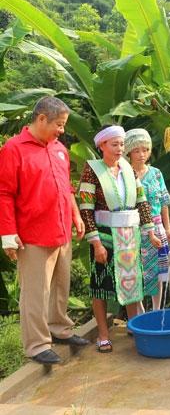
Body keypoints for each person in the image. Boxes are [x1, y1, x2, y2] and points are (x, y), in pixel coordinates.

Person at [0, 96, 89, 365]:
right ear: (41, 119)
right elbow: (3, 193)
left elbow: (66, 187)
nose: (62, 130)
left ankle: (59, 329)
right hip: (33, 234)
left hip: (61, 230)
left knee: (61, 286)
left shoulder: (58, 148)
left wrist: (75, 214)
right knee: (36, 292)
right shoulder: (14, 149)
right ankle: (37, 345)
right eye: (59, 125)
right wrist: (7, 235)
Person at [79, 125, 161, 353]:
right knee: (101, 287)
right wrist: (95, 243)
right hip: (104, 236)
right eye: (114, 144)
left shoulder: (128, 168)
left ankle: (135, 326)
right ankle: (103, 334)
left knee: (133, 282)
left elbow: (142, 201)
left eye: (122, 144)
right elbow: (86, 208)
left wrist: (150, 231)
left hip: (130, 236)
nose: (119, 149)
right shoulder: (92, 170)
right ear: (102, 145)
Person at [124, 128, 170, 311]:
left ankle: (156, 310)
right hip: (132, 230)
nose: (141, 154)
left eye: (145, 150)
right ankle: (140, 313)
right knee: (134, 272)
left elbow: (163, 202)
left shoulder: (156, 174)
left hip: (157, 228)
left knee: (157, 272)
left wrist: (167, 229)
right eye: (136, 150)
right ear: (128, 152)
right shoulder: (123, 173)